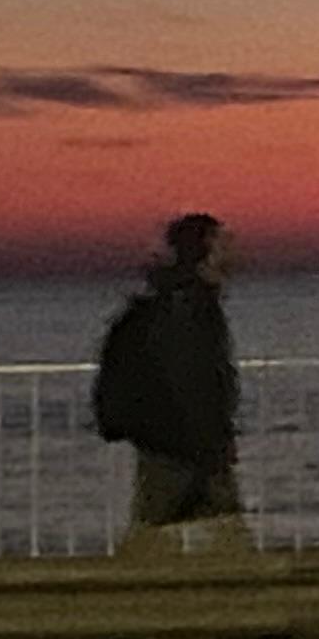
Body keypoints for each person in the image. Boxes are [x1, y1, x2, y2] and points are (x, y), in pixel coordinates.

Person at [94, 212, 244, 553]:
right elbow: (189, 380)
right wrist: (207, 443)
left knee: (160, 530)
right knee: (174, 530)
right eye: (223, 243)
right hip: (184, 448)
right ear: (205, 252)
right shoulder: (188, 310)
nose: (234, 251)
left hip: (173, 445)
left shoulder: (181, 304)